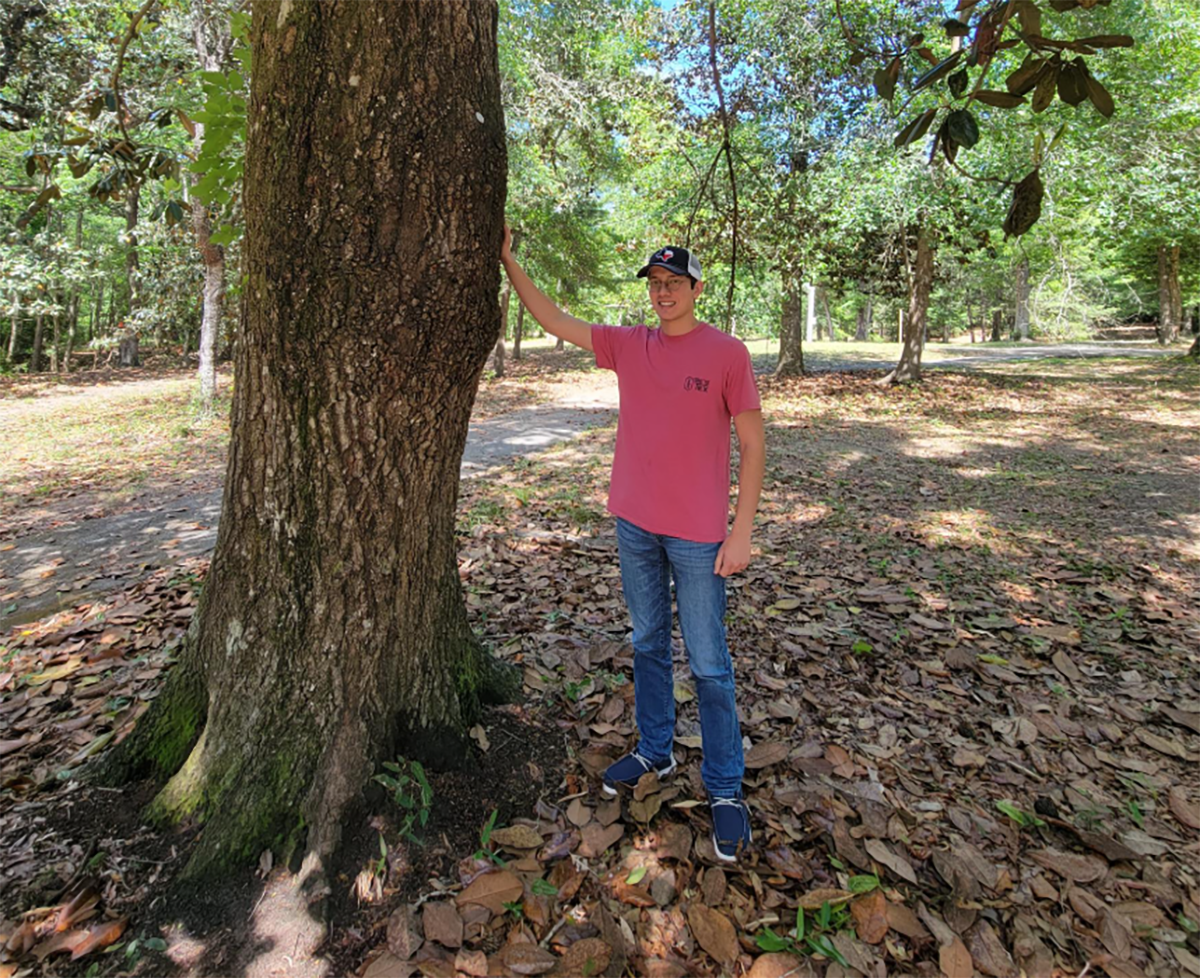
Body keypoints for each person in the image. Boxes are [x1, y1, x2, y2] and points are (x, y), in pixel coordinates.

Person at [500, 228, 765, 862]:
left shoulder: (728, 353)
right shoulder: (629, 344)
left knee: (707, 663)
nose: (663, 293)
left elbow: (754, 444)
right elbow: (556, 319)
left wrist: (742, 530)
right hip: (634, 523)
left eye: (674, 283)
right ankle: (655, 748)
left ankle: (726, 789)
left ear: (696, 289)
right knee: (647, 641)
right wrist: (509, 259)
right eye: (655, 284)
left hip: (701, 536)